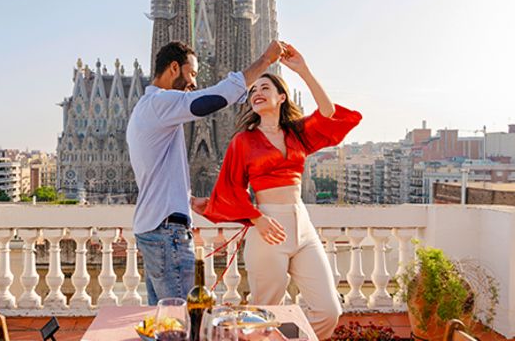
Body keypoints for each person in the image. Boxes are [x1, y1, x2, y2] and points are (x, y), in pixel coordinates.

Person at [199, 43, 362, 339]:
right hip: (267, 228)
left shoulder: (297, 134)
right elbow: (230, 188)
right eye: (253, 91)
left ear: (281, 97)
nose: (257, 92)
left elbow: (329, 114)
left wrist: (304, 70)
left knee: (328, 311)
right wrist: (257, 218)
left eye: (265, 87)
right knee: (264, 314)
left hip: (303, 226)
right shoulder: (243, 142)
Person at [126, 40, 285, 305]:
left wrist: (185, 201)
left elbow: (155, 172)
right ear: (174, 68)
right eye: (192, 74)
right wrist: (265, 60)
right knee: (183, 320)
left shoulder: (147, 109)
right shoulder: (159, 103)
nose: (194, 83)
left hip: (153, 228)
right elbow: (214, 99)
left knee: (163, 321)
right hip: (167, 235)